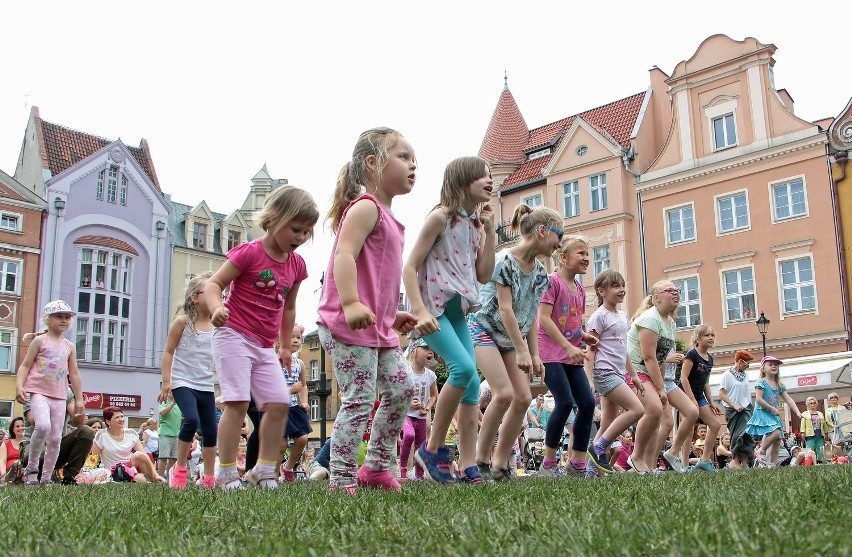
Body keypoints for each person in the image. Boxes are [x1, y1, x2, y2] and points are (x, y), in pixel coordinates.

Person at [317, 128, 418, 494]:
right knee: (359, 399)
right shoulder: (365, 207)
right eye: (403, 157)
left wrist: (393, 317)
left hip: (378, 328)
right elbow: (344, 255)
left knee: (403, 388)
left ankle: (375, 466)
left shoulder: (391, 218)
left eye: (413, 159)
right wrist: (350, 302)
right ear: (373, 163)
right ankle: (341, 476)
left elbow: (379, 279)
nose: (413, 164)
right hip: (347, 323)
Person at [206, 185, 317, 489]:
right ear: (274, 219)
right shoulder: (250, 252)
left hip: (264, 346)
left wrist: (284, 345)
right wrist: (216, 309)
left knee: (280, 402)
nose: (301, 237)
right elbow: (213, 285)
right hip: (233, 335)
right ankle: (227, 471)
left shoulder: (297, 265)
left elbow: (289, 307)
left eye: (307, 232)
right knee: (238, 402)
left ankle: (264, 469)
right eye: (296, 229)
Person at [403, 156, 496, 484]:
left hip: (458, 312)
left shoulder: (475, 227)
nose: (490, 180)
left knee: (471, 384)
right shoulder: (440, 218)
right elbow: (410, 267)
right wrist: (419, 310)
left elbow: (484, 274)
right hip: (435, 311)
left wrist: (490, 230)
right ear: (461, 181)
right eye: (481, 176)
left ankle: (469, 464)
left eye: (490, 176)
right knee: (463, 369)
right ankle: (432, 448)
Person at [470, 204, 563, 482]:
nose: (560, 244)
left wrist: (535, 355)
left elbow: (531, 316)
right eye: (559, 235)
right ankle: (479, 460)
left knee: (523, 397)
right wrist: (521, 349)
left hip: (510, 337)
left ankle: (500, 464)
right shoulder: (505, 261)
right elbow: (506, 308)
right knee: (503, 394)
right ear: (542, 231)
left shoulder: (540, 274)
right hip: (485, 330)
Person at [536, 235, 599, 478]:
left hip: (571, 352)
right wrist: (569, 346)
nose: (586, 258)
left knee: (587, 403)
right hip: (551, 353)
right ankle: (549, 463)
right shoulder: (551, 282)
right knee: (563, 402)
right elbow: (544, 319)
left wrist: (583, 337)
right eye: (580, 253)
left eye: (587, 254)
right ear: (563, 257)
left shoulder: (580, 289)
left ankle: (577, 463)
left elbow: (569, 322)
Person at [15, 300, 84, 485]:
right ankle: (31, 470)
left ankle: (46, 478)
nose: (64, 320)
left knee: (55, 437)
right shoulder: (40, 341)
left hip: (60, 395)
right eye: (59, 316)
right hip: (38, 391)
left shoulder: (69, 346)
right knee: (43, 426)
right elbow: (25, 365)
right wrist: (20, 386)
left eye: (67, 317)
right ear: (48, 319)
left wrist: (79, 399)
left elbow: (74, 373)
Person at [585, 269, 646, 477]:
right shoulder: (598, 317)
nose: (621, 290)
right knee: (637, 409)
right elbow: (590, 349)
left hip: (618, 373)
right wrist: (589, 378)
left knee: (608, 424)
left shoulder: (621, 316)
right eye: (615, 286)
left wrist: (634, 375)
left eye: (622, 286)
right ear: (601, 291)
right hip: (604, 372)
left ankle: (591, 472)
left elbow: (624, 350)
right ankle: (599, 448)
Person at [160, 272, 217, 489]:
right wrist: (167, 382)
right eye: (209, 291)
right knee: (191, 420)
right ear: (194, 297)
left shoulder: (216, 324)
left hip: (205, 384)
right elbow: (168, 352)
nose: (215, 295)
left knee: (211, 431)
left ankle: (209, 478)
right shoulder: (183, 322)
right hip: (182, 381)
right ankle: (179, 470)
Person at [626, 281, 679, 474]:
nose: (675, 294)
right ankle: (636, 457)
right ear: (656, 298)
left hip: (649, 374)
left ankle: (647, 466)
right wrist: (661, 389)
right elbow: (648, 357)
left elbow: (661, 357)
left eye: (677, 290)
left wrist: (660, 386)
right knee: (654, 409)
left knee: (656, 416)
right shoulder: (649, 319)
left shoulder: (670, 323)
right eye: (669, 291)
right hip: (633, 371)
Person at [676, 325, 722, 473]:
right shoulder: (692, 354)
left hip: (699, 396)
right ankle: (684, 465)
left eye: (712, 335)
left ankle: (704, 460)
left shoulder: (710, 359)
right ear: (698, 338)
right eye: (707, 335)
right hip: (685, 394)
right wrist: (691, 399)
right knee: (688, 430)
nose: (710, 338)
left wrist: (711, 402)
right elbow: (683, 377)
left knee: (714, 425)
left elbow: (706, 383)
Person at [745, 356, 803, 468]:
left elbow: (788, 399)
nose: (773, 366)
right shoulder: (761, 382)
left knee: (777, 440)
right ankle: (761, 450)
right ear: (763, 368)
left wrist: (797, 411)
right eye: (770, 364)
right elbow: (759, 399)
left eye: (775, 365)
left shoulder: (779, 384)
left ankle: (772, 465)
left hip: (773, 414)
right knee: (776, 432)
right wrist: (772, 409)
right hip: (763, 411)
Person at [399, 339, 438, 481]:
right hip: (406, 415)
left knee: (421, 446)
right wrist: (409, 404)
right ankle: (403, 467)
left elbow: (434, 396)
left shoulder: (430, 375)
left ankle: (419, 475)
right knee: (409, 435)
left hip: (421, 417)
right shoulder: (406, 373)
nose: (430, 351)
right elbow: (399, 394)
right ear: (414, 351)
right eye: (425, 348)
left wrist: (427, 408)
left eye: (431, 349)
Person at [92, 406, 164, 482]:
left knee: (139, 456)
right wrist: (92, 475)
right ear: (108, 421)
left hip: (129, 468)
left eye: (122, 416)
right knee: (138, 480)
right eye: (117, 418)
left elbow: (144, 456)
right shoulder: (101, 435)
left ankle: (154, 480)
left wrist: (156, 475)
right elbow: (94, 458)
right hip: (111, 472)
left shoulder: (131, 433)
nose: (121, 419)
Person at [281, 324, 312, 482]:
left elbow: (303, 385)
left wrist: (305, 402)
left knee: (303, 438)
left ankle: (288, 467)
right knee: (281, 444)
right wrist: (290, 390)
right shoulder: (275, 361)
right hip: (278, 407)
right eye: (291, 337)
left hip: (293, 407)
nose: (295, 340)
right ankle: (271, 474)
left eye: (298, 338)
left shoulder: (299, 363)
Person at [718, 349, 756, 468]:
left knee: (747, 435)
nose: (748, 366)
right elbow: (722, 393)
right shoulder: (727, 374)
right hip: (733, 410)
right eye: (747, 363)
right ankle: (735, 461)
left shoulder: (745, 375)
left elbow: (746, 393)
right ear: (740, 361)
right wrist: (734, 405)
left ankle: (745, 461)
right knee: (737, 436)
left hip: (746, 408)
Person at [156, 394, 182, 479]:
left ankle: (169, 478)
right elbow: (163, 412)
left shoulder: (178, 405)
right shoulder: (163, 403)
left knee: (174, 458)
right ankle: (160, 478)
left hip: (176, 435)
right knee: (163, 458)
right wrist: (172, 403)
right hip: (165, 434)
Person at [800, 396, 827, 463]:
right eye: (810, 403)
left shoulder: (820, 413)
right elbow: (802, 424)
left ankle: (820, 461)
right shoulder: (805, 413)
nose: (812, 404)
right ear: (808, 405)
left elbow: (824, 424)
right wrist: (802, 432)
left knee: (820, 449)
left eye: (814, 403)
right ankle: (808, 462)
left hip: (819, 433)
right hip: (810, 433)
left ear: (816, 404)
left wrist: (826, 433)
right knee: (809, 449)